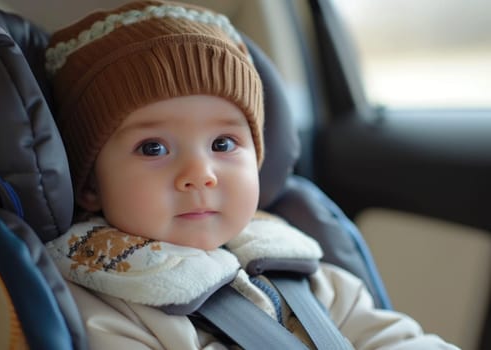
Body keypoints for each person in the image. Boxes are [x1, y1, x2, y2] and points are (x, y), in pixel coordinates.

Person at [45, 1, 459, 349]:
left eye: (223, 144)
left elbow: (390, 338)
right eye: (153, 148)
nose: (200, 174)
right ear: (90, 186)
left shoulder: (308, 277)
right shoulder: (102, 306)